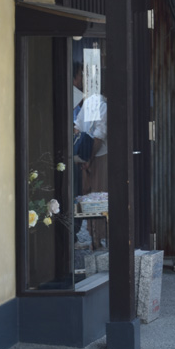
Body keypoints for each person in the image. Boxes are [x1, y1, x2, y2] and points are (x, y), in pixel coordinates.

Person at [74, 92, 107, 247]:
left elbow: (77, 128)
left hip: (85, 157)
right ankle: (98, 239)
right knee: (100, 198)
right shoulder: (103, 106)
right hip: (99, 156)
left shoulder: (87, 103)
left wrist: (80, 154)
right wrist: (89, 159)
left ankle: (94, 237)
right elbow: (99, 137)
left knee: (89, 197)